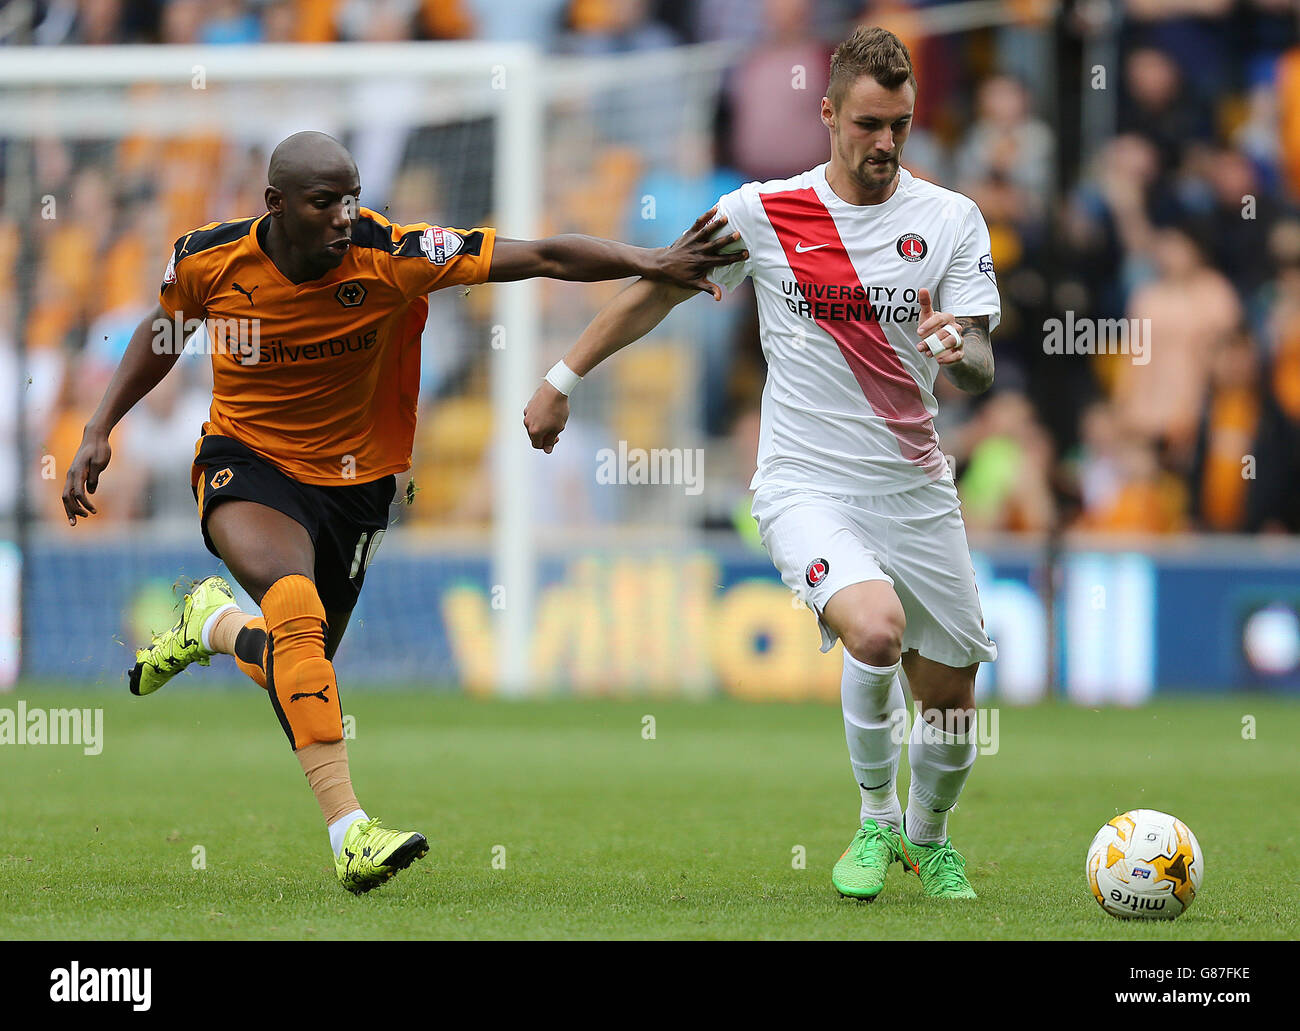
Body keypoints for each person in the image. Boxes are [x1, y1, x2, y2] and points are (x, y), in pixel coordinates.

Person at [61, 130, 743, 895]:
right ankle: (350, 830)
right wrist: (97, 428)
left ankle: (213, 624)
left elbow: (545, 255)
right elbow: (164, 332)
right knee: (295, 612)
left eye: (352, 196)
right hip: (244, 464)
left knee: (300, 662)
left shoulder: (397, 254)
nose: (346, 215)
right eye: (326, 202)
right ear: (277, 206)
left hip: (357, 488)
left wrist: (648, 260)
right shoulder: (207, 259)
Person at [525, 27, 999, 900]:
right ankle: (875, 821)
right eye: (867, 124)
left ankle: (931, 839)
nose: (885, 143)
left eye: (899, 124)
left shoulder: (948, 219)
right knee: (875, 628)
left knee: (950, 699)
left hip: (915, 486)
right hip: (805, 484)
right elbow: (662, 285)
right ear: (825, 114)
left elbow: (978, 366)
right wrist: (564, 375)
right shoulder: (763, 212)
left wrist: (956, 347)